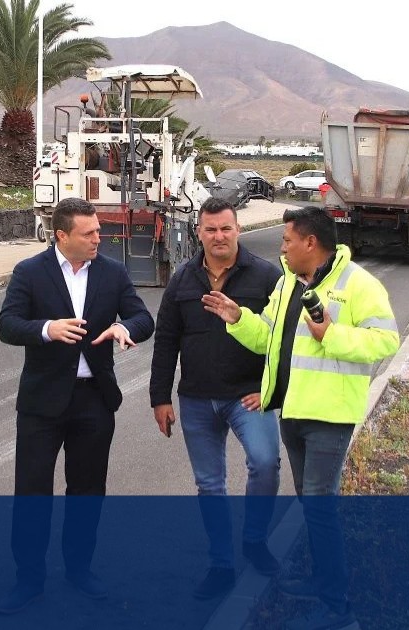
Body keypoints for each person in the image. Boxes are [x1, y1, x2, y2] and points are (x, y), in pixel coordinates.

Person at [202, 206, 400, 630]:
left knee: (320, 505)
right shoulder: (288, 283)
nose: (283, 247)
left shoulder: (359, 284)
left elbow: (386, 341)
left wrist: (333, 334)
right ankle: (319, 579)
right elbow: (267, 339)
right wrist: (238, 318)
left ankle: (337, 608)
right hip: (293, 411)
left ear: (310, 243)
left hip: (330, 414)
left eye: (288, 240)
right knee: (310, 506)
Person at [0, 197, 154, 614]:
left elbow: (144, 319)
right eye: (89, 233)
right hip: (42, 402)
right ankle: (28, 579)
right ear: (61, 235)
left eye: (98, 230)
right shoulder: (30, 272)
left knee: (87, 491)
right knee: (32, 492)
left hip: (94, 399)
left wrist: (123, 326)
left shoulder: (113, 272)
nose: (99, 238)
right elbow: (7, 325)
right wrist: (47, 328)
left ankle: (79, 569)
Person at [149, 197, 284, 599]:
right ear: (199, 232)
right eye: (210, 229)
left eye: (226, 228)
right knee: (209, 484)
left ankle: (255, 541)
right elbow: (166, 340)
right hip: (196, 399)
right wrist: (160, 397)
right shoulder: (183, 280)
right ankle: (221, 564)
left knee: (265, 464)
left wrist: (272, 388)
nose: (219, 236)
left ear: (238, 229)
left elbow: (283, 339)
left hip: (248, 396)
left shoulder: (266, 276)